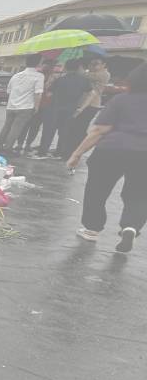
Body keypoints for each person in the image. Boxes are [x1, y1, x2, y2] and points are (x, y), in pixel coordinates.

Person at [67, 63, 147, 253]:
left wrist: (76, 153)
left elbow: (99, 130)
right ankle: (131, 226)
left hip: (111, 150)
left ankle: (92, 229)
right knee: (138, 195)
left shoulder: (121, 100)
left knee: (97, 190)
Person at [35, 58, 91, 159]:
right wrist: (81, 108)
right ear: (78, 68)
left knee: (49, 131)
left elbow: (48, 94)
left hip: (54, 108)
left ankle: (42, 152)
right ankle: (59, 153)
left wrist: (49, 84)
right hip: (71, 109)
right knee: (64, 132)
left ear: (66, 67)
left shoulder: (60, 80)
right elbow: (91, 93)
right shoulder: (84, 81)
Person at [60, 57, 111, 159]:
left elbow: (84, 74)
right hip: (84, 103)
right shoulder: (92, 73)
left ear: (104, 65)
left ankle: (74, 151)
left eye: (97, 63)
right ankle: (70, 150)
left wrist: (80, 69)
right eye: (92, 63)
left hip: (92, 104)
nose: (93, 65)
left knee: (79, 129)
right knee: (75, 128)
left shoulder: (104, 74)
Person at [0, 54, 45, 155]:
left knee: (7, 126)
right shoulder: (39, 76)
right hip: (25, 107)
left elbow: (9, 91)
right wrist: (36, 107)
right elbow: (38, 94)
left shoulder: (16, 75)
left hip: (11, 106)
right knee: (16, 128)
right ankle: (8, 148)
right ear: (38, 63)